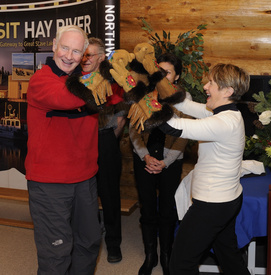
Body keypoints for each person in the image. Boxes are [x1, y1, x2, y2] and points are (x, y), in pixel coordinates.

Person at [159, 63, 251, 275]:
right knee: (229, 257)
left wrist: (142, 99)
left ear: (227, 91)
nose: (205, 86)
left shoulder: (224, 122)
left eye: (211, 83)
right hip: (226, 199)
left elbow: (173, 126)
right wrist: (157, 81)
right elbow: (184, 105)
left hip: (213, 204)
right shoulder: (220, 112)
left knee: (180, 264)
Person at [25, 25, 101, 274]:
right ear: (54, 46)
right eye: (65, 48)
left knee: (88, 243)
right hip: (50, 182)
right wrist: (102, 81)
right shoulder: (40, 80)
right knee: (56, 253)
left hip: (85, 177)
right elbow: (66, 98)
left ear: (84, 55)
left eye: (77, 51)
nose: (69, 56)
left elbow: (119, 95)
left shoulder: (88, 80)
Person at [129, 53, 190, 275]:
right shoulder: (144, 93)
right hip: (144, 159)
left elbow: (184, 134)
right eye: (159, 72)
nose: (162, 77)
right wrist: (145, 156)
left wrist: (165, 161)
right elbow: (134, 129)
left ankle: (166, 255)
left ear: (177, 76)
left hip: (170, 161)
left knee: (167, 210)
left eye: (167, 73)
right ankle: (150, 256)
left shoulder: (184, 98)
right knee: (147, 209)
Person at [81, 37, 126, 263]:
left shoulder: (113, 81)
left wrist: (107, 139)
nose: (85, 59)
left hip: (104, 140)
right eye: (84, 54)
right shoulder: (75, 79)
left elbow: (120, 118)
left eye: (90, 55)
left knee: (109, 195)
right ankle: (88, 238)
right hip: (79, 144)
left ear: (101, 57)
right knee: (83, 195)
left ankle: (114, 243)